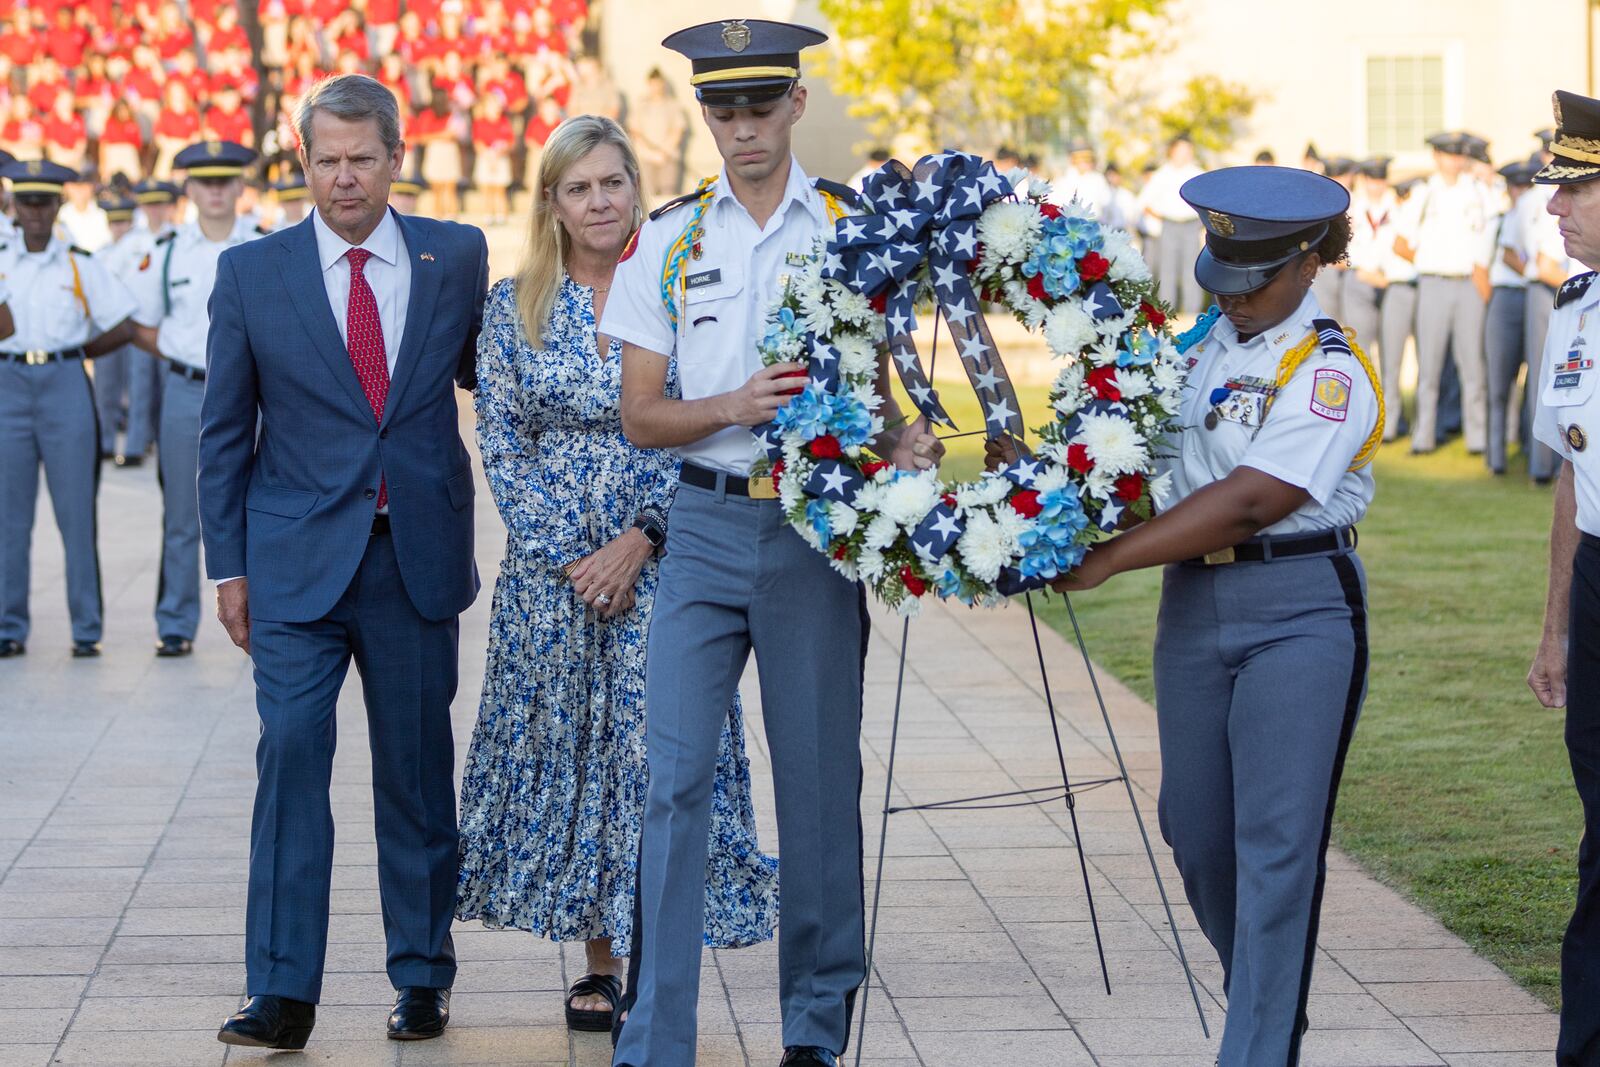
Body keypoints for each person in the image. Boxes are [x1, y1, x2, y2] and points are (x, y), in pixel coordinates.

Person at [602, 20, 944, 1067]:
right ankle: (655, 1034)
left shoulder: (851, 228)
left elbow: (880, 402)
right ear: (703, 115)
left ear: (796, 104)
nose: (742, 129)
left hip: (810, 528)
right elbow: (641, 416)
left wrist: (905, 442)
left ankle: (812, 1029)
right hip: (702, 524)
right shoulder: (668, 237)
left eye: (760, 107)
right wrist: (730, 403)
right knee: (672, 779)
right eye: (723, 110)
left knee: (814, 779)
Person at [1002, 165, 1379, 1066]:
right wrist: (1047, 486)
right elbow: (1137, 470)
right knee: (1197, 829)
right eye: (1226, 277)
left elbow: (1252, 500)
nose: (1239, 299)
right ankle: (1265, 997)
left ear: (1309, 263)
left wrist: (1106, 563)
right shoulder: (1204, 346)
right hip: (1195, 605)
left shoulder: (1330, 371)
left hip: (1298, 608)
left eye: (1258, 281)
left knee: (1277, 844)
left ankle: (1254, 1043)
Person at [454, 112, 779, 1035]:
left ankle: (654, 952)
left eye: (612, 182)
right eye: (578, 187)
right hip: (553, 578)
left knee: (659, 754)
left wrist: (642, 537)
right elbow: (506, 445)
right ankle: (597, 960)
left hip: (674, 550)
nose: (599, 201)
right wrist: (572, 555)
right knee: (577, 755)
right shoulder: (514, 302)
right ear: (551, 204)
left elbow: (720, 426)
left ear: (638, 188)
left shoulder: (685, 286)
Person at [200, 73, 489, 1050]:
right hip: (291, 564)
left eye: (362, 158)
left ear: (396, 158)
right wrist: (226, 567)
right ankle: (281, 988)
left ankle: (420, 974)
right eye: (325, 160)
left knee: (414, 772)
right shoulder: (253, 273)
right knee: (289, 755)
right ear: (303, 162)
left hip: (413, 556)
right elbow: (221, 430)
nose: (343, 178)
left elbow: (498, 379)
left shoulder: (455, 258)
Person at [1528, 88, 1600, 1067]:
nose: (1554, 207)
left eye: (1575, 188)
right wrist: (1555, 626)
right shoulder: (1574, 310)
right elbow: (1573, 480)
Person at [127, 140, 262, 658]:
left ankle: (263, 616)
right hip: (190, 389)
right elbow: (144, 323)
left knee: (264, 506)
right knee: (182, 513)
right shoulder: (167, 250)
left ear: (239, 186)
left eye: (225, 180)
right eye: (204, 181)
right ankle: (176, 623)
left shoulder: (266, 243)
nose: (215, 191)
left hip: (256, 396)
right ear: (189, 188)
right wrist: (182, 354)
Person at [0, 159, 137, 659]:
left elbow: (122, 324)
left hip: (63, 380)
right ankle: (7, 625)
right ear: (13, 205)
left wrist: (78, 352)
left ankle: (86, 627)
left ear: (58, 205)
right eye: (27, 202)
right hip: (7, 382)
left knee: (76, 513)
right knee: (8, 517)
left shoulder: (79, 261)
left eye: (45, 201)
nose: (36, 212)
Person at [1397, 131, 1493, 454]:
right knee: (1429, 366)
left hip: (1467, 283)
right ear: (1437, 156)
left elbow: (1487, 233)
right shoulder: (1424, 193)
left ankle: (1477, 438)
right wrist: (1427, 261)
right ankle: (1423, 436)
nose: (1455, 160)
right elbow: (1401, 242)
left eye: (1459, 154)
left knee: (1472, 366)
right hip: (1433, 282)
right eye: (1448, 154)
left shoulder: (1477, 191)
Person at [1486, 159, 1537, 475]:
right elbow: (1499, 257)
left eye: (1524, 185)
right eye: (1514, 186)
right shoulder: (1500, 220)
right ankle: (1495, 458)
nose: (1519, 192)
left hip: (1533, 295)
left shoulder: (1537, 212)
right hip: (1506, 296)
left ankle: (1534, 453)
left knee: (1535, 383)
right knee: (1499, 382)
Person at [91, 193, 145, 466]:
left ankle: (136, 444)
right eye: (114, 222)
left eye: (123, 221)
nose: (119, 227)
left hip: (135, 324)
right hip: (109, 327)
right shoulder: (99, 254)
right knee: (106, 388)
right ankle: (106, 442)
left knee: (138, 389)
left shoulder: (141, 247)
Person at [1140, 134, 1205, 315]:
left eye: (1187, 150)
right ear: (1172, 151)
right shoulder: (1162, 174)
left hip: (1192, 224)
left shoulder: (1197, 173)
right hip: (1168, 224)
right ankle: (1167, 312)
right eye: (1180, 150)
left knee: (1191, 268)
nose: (1184, 154)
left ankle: (1193, 312)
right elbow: (1145, 203)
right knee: (1167, 269)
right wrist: (1162, 218)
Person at [1342, 158, 1391, 382]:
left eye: (1381, 179)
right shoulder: (1353, 208)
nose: (1376, 185)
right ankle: (1369, 408)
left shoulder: (1396, 205)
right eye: (1372, 180)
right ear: (1364, 181)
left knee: (1391, 353)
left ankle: (1392, 413)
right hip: (1359, 277)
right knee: (1361, 349)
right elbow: (1343, 248)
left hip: (1389, 281)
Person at [627, 66, 687, 205]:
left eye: (658, 83)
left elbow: (677, 129)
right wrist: (652, 153)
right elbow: (635, 130)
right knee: (648, 196)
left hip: (668, 156)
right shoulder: (640, 104)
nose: (656, 87)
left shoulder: (673, 104)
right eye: (653, 83)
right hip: (646, 156)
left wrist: (664, 152)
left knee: (669, 195)